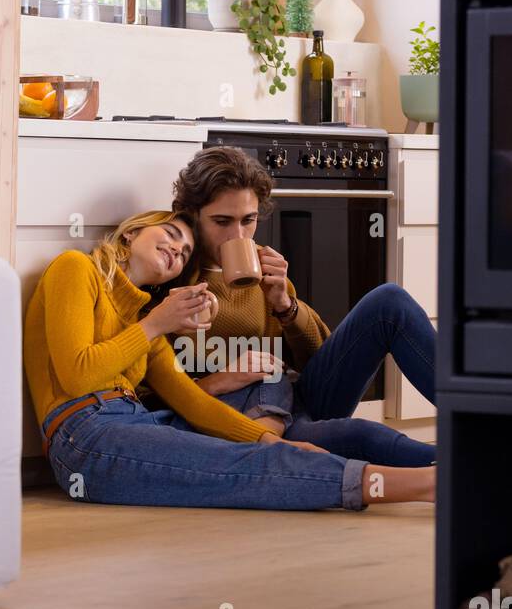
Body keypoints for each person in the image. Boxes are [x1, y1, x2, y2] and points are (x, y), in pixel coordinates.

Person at [22, 209, 435, 510]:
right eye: (168, 234)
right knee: (244, 466)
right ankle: (430, 484)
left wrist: (268, 437)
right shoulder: (77, 269)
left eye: (185, 252)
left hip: (136, 422)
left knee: (276, 403)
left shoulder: (147, 322)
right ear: (130, 234)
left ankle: (446, 467)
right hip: (82, 435)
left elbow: (193, 403)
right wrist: (158, 325)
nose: (176, 250)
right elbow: (78, 376)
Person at [171, 145, 438, 466]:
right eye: (222, 221)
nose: (237, 235)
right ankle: (468, 468)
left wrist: (285, 305)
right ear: (193, 215)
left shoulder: (266, 272)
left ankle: (485, 423)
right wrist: (215, 382)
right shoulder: (171, 274)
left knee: (389, 301)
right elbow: (145, 397)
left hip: (291, 399)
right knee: (365, 435)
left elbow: (325, 362)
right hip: (236, 419)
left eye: (248, 220)